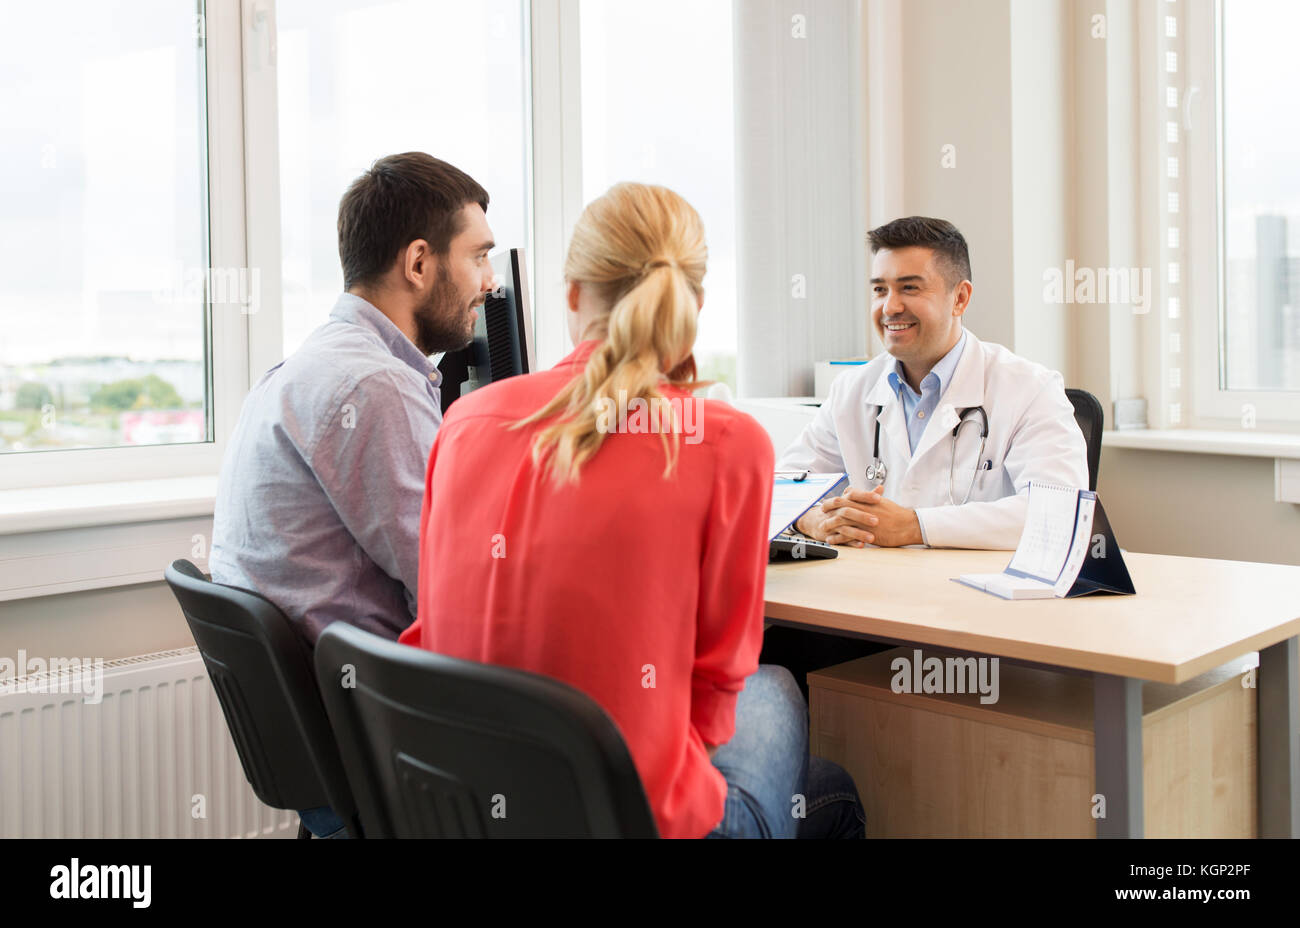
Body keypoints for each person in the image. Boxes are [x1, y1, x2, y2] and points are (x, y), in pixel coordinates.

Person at [399, 182, 865, 839]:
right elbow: (716, 680)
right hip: (631, 821)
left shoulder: (464, 420)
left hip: (468, 807)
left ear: (570, 297)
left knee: (769, 692)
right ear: (692, 305)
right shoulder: (728, 443)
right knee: (794, 720)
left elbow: (430, 633)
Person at [210, 152, 496, 837]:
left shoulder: (304, 368)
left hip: (336, 756)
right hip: (392, 754)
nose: (489, 283)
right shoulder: (375, 388)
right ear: (420, 263)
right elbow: (455, 601)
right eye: (479, 257)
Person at [763, 216, 1090, 697]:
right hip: (866, 615)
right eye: (879, 289)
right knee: (772, 659)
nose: (889, 307)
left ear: (960, 298)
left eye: (909, 288)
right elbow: (782, 488)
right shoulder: (853, 390)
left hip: (981, 627)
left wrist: (914, 526)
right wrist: (813, 520)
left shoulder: (1029, 388)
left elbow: (1057, 515)